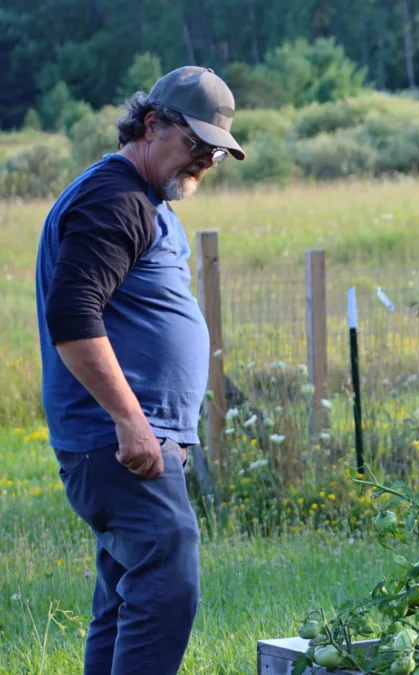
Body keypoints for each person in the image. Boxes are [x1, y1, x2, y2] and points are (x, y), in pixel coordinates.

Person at [34, 66, 245, 675]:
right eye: (196, 143)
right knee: (168, 577)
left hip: (136, 437)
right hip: (119, 439)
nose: (205, 161)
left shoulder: (145, 200)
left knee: (124, 599)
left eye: (216, 153)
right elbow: (73, 317)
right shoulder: (115, 198)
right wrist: (131, 422)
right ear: (152, 124)